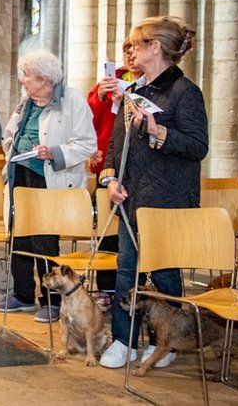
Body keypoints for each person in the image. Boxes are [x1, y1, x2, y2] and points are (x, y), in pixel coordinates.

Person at [98, 17, 207, 369]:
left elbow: (197, 146)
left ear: (155, 47)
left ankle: (169, 343)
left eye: (136, 45)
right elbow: (116, 145)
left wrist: (158, 131)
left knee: (163, 273)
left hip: (168, 199)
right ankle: (123, 340)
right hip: (132, 197)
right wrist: (110, 180)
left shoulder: (184, 92)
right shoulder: (133, 91)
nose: (130, 52)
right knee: (126, 270)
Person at [0, 49, 96, 324]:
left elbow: (87, 143)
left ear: (44, 78)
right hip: (20, 175)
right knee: (19, 236)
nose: (22, 80)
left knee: (44, 241)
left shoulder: (73, 101)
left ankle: (51, 300)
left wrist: (53, 153)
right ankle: (23, 294)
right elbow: (10, 134)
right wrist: (12, 150)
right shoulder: (26, 101)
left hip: (50, 179)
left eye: (26, 75)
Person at [87, 41, 143, 296]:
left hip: (139, 165)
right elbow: (87, 121)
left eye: (135, 50)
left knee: (137, 226)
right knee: (110, 229)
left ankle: (138, 288)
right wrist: (100, 98)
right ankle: (107, 287)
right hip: (107, 165)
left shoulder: (152, 84)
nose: (131, 55)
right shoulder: (108, 84)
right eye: (127, 51)